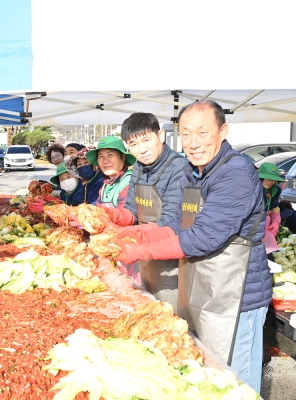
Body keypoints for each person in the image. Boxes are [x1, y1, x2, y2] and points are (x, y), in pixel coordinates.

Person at [115, 100, 271, 393]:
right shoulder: (195, 171)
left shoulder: (235, 172)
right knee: (211, 378)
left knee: (237, 384)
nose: (193, 143)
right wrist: (137, 237)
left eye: (202, 132)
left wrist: (142, 251)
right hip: (206, 289)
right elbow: (177, 223)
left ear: (222, 131)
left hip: (238, 296)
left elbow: (203, 237)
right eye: (186, 134)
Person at [108, 113, 187, 309]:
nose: (142, 150)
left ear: (160, 136)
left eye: (146, 140)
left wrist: (130, 235)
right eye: (133, 144)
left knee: (168, 312)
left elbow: (170, 222)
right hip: (142, 256)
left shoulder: (178, 168)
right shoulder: (139, 168)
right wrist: (111, 216)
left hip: (170, 260)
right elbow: (132, 212)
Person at [86, 136, 135, 209]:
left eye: (110, 155)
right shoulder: (105, 185)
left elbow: (126, 215)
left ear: (123, 157)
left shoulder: (129, 182)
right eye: (101, 156)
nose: (105, 161)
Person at [259, 162, 283, 254]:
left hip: (267, 228)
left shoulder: (276, 190)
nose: (271, 182)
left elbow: (275, 208)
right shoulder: (253, 188)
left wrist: (276, 221)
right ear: (262, 177)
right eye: (268, 178)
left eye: (273, 179)